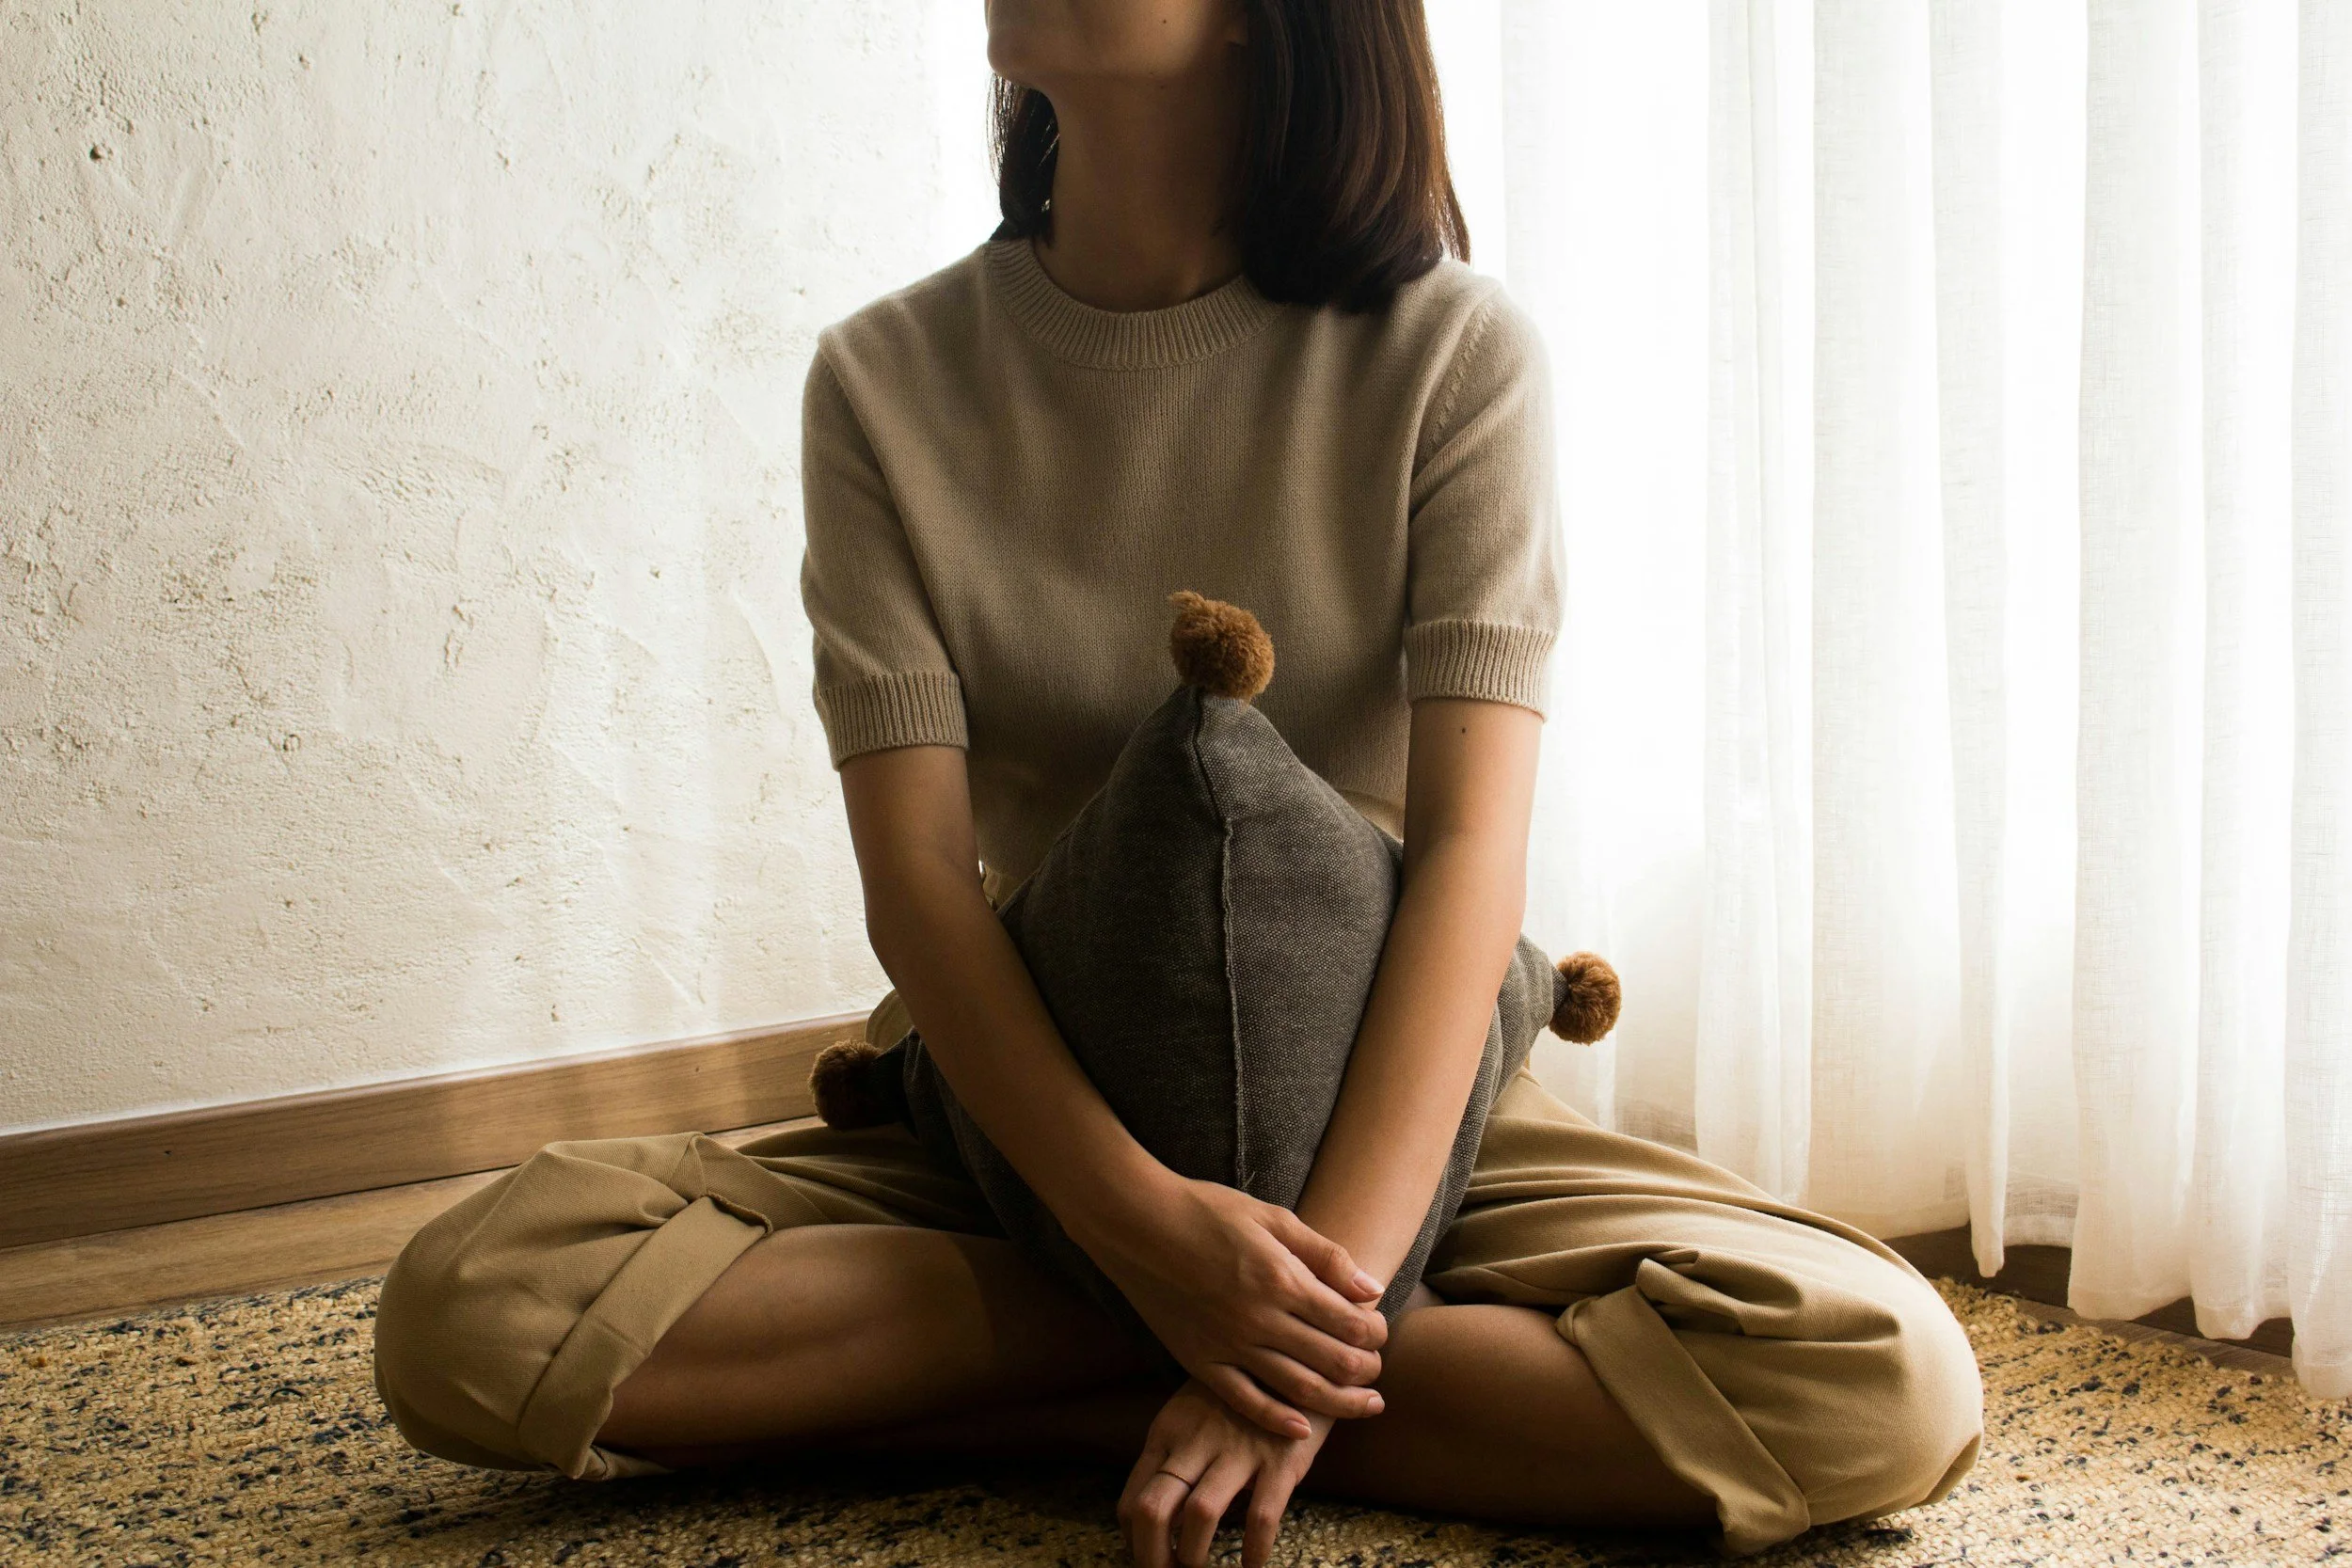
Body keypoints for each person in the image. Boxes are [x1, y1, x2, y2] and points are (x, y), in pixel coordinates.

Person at [370, 4, 1985, 1565]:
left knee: (1884, 1373)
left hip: (1394, 1108)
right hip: (1031, 1124)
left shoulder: (1454, 353)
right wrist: (1153, 1242)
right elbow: (922, 888)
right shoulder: (882, 380)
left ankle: (1133, 1393)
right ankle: (1209, 1369)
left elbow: (1472, 855)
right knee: (470, 1313)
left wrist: (1313, 1284)